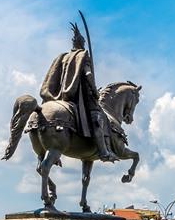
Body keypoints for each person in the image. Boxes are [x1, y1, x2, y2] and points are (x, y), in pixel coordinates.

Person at [39, 22, 118, 162]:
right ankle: (104, 152)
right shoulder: (83, 55)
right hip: (80, 97)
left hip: (62, 96)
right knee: (98, 118)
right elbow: (88, 75)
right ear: (82, 43)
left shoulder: (63, 57)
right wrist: (95, 91)